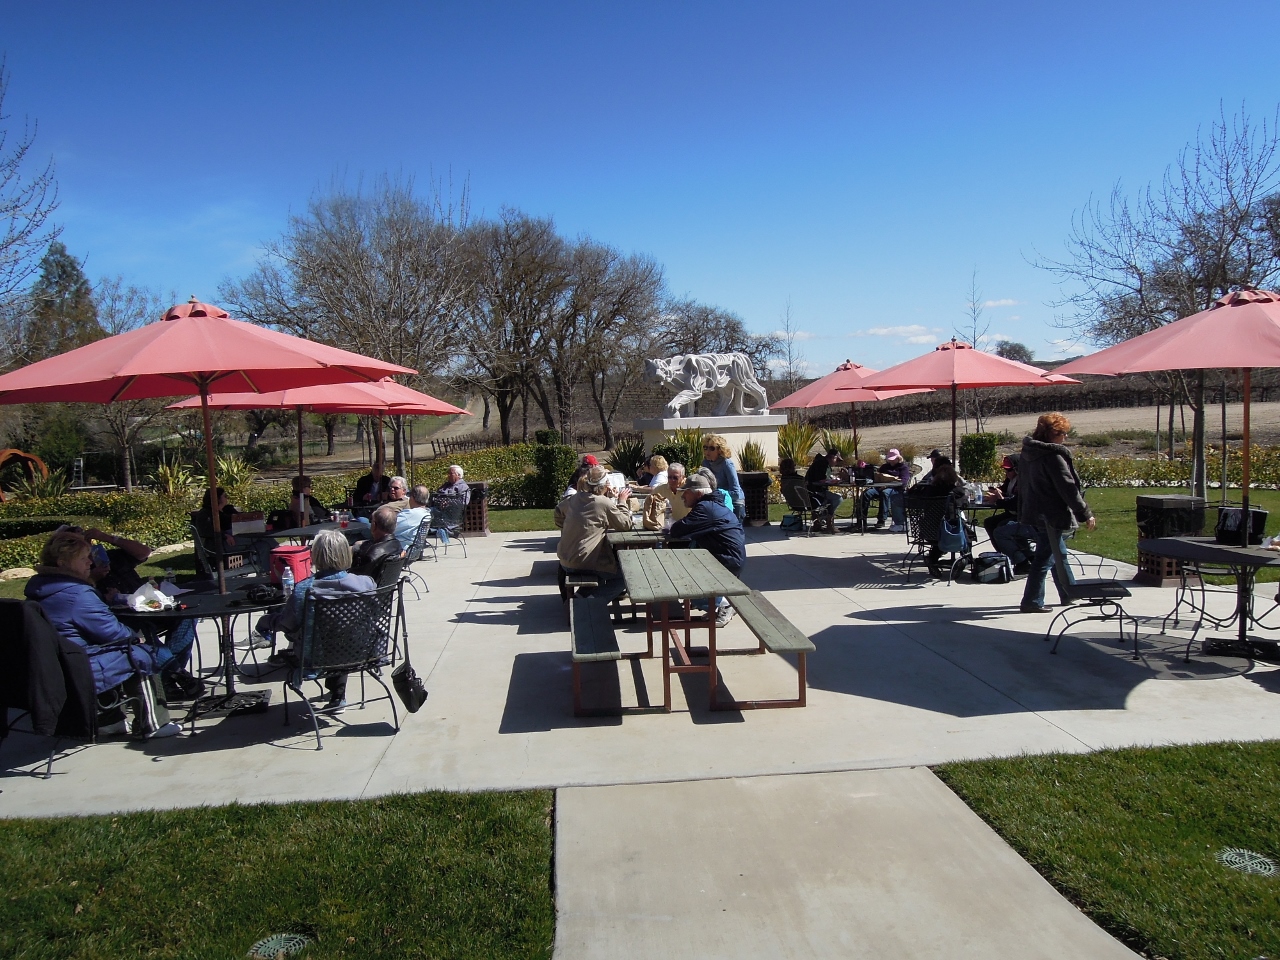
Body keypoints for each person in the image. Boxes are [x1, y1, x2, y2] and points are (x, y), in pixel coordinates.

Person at [25, 531, 180, 739]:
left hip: (55, 664)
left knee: (115, 649)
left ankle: (110, 720)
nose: (90, 563)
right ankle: (154, 724)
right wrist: (136, 637)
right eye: (83, 559)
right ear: (62, 563)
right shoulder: (77, 594)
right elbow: (112, 632)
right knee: (140, 654)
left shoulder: (39, 588)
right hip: (79, 667)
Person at [260, 529, 378, 714]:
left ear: (316, 556)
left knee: (325, 639)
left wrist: (266, 621)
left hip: (316, 658)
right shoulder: (365, 583)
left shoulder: (304, 590)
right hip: (361, 651)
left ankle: (337, 694)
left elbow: (288, 624)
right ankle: (338, 694)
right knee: (341, 635)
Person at [1018, 412, 1096, 614]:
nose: (1066, 437)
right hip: (1051, 514)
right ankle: (1032, 601)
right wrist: (1084, 513)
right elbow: (1067, 488)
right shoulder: (1052, 456)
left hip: (1034, 512)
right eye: (1062, 433)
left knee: (1058, 554)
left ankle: (1070, 593)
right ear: (1052, 434)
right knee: (1045, 558)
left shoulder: (1029, 452)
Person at [669, 472, 746, 627]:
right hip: (727, 557)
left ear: (698, 493)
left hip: (728, 561)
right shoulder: (709, 505)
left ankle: (726, 604)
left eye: (686, 493)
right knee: (683, 571)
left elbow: (677, 530)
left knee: (686, 583)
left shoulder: (705, 509)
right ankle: (718, 605)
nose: (683, 496)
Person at [553, 464, 633, 581]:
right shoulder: (603, 502)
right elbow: (626, 524)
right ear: (605, 485)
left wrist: (568, 526)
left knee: (609, 572)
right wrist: (622, 501)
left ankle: (582, 596)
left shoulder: (574, 498)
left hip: (565, 560)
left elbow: (558, 512)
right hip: (586, 562)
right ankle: (586, 599)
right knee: (626, 577)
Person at [910, 456, 967, 576]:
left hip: (927, 531)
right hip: (950, 532)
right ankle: (965, 559)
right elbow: (965, 504)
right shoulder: (956, 492)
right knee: (967, 533)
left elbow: (912, 498)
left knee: (940, 532)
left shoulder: (928, 491)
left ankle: (933, 559)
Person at [986, 454, 1035, 575]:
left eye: (1009, 469)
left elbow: (1015, 503)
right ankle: (1006, 553)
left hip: (1027, 519)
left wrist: (999, 499)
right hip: (1014, 514)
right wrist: (997, 492)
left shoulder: (1024, 481)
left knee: (1001, 529)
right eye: (1005, 469)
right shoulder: (1011, 480)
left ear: (1017, 468)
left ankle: (1022, 561)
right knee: (989, 522)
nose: (1006, 472)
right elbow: (1004, 490)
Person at [351, 505, 404, 582]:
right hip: (385, 589)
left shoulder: (370, 554)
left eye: (371, 521)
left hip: (366, 591)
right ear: (395, 525)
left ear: (374, 525)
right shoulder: (397, 545)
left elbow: (356, 579)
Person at [701, 434, 746, 521]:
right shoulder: (705, 463)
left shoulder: (727, 464)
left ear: (720, 450)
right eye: (705, 447)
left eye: (712, 448)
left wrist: (718, 494)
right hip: (717, 503)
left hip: (735, 504)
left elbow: (736, 493)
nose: (707, 451)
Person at [866, 448, 912, 532]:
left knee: (885, 493)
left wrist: (887, 485)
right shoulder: (884, 467)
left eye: (893, 459)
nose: (891, 461)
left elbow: (903, 482)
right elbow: (877, 477)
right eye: (890, 459)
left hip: (895, 489)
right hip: (879, 487)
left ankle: (881, 519)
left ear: (898, 458)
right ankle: (862, 519)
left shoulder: (903, 468)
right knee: (867, 493)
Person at [429, 464, 471, 545]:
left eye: (450, 473)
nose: (448, 475)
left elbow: (464, 502)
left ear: (458, 475)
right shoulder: (445, 485)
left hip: (452, 516)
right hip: (439, 511)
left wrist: (449, 503)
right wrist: (439, 501)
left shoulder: (463, 487)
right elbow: (436, 496)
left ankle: (437, 531)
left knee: (427, 514)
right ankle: (436, 531)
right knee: (425, 512)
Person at [642, 462, 691, 530]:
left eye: (675, 478)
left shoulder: (689, 488)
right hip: (668, 528)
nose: (671, 480)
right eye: (669, 477)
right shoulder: (662, 488)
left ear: (683, 477)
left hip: (687, 528)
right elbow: (648, 500)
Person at [805, 449, 844, 533]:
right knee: (838, 498)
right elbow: (822, 479)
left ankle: (819, 521)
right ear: (833, 458)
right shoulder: (822, 464)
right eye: (837, 460)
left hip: (809, 492)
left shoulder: (820, 462)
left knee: (832, 498)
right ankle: (828, 522)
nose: (837, 463)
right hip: (815, 492)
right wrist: (834, 480)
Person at [394, 485, 432, 553]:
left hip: (400, 549)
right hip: (413, 549)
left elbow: (388, 527)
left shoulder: (408, 515)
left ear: (412, 498)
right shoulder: (427, 513)